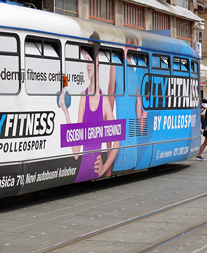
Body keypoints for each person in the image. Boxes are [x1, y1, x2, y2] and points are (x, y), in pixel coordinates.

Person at [59, 32, 116, 181]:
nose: (87, 66)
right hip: (82, 173)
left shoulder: (104, 102)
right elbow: (76, 153)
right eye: (85, 60)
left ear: (97, 61)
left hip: (95, 172)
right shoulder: (83, 97)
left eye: (89, 60)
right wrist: (65, 112)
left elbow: (116, 142)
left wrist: (104, 168)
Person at [108, 31, 147, 174]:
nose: (136, 51)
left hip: (131, 122)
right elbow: (111, 97)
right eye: (135, 47)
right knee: (121, 157)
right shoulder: (115, 62)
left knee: (130, 160)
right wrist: (109, 125)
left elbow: (138, 101)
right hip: (121, 118)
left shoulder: (132, 67)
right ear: (127, 44)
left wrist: (140, 124)